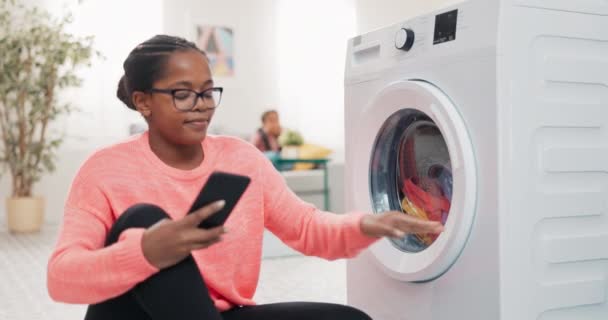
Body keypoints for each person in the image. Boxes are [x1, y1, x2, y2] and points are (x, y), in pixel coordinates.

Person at [47, 35, 444, 320]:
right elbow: (61, 278)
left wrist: (369, 224)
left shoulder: (240, 158)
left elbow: (305, 226)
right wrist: (146, 252)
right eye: (183, 94)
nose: (201, 106)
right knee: (142, 219)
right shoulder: (104, 169)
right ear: (143, 101)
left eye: (207, 92)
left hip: (214, 314)